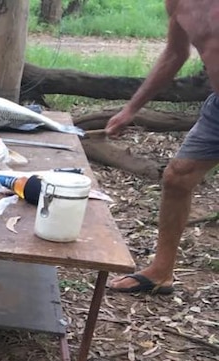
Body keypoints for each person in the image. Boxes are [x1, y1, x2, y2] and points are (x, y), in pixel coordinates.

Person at [105, 0, 219, 295]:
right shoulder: (177, 4)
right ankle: (161, 271)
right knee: (177, 177)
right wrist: (131, 109)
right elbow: (174, 54)